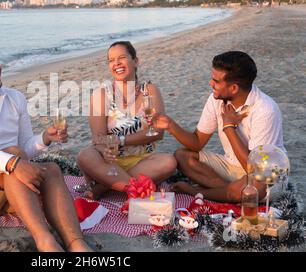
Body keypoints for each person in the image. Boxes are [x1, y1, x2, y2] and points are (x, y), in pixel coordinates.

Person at [0, 39, 92, 252]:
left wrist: (45, 138)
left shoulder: (14, 98)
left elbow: (26, 147)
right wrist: (13, 163)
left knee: (52, 170)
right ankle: (45, 241)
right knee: (13, 157)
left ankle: (76, 243)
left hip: (6, 186)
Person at [154, 51, 287, 203]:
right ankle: (228, 190)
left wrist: (229, 126)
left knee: (252, 190)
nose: (211, 83)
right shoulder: (216, 99)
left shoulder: (265, 109)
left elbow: (254, 169)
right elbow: (197, 142)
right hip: (231, 167)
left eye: (216, 81)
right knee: (182, 156)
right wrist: (171, 125)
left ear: (234, 88)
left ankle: (197, 192)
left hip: (265, 176)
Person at [77, 41, 177, 200]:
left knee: (169, 162)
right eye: (111, 60)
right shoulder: (101, 95)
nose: (116, 63)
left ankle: (105, 186)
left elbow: (157, 133)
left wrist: (121, 139)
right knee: (85, 155)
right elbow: (98, 138)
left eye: (121, 58)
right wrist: (106, 150)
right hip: (109, 161)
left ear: (135, 61)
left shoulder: (149, 91)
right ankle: (133, 187)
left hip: (142, 162)